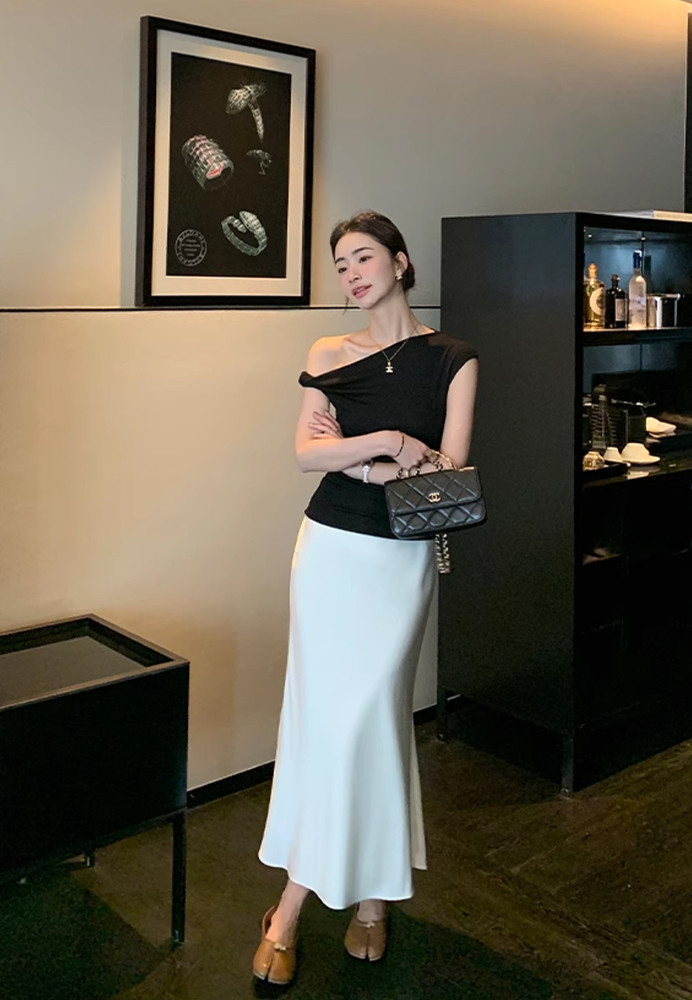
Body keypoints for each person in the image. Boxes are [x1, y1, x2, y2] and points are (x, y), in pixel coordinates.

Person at [252, 210, 478, 985]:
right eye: (341, 263)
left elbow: (448, 473)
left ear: (401, 262)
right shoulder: (328, 352)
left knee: (370, 723)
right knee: (326, 724)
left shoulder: (453, 359)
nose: (350, 273)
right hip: (328, 551)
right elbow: (303, 454)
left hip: (398, 561)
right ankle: (350, 903)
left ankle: (300, 904)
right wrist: (385, 446)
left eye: (363, 257)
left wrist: (351, 454)